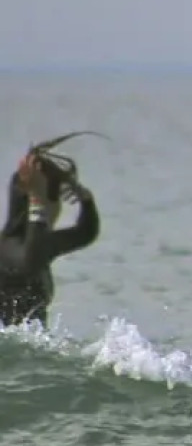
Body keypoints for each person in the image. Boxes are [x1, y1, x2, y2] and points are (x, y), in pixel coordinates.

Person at [0, 134, 103, 328]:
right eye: (55, 199)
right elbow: (30, 261)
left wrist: (86, 199)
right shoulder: (7, 247)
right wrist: (37, 201)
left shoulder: (40, 244)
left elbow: (86, 233)